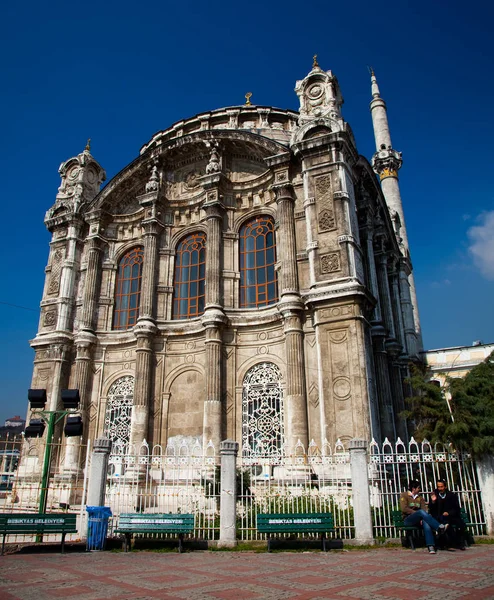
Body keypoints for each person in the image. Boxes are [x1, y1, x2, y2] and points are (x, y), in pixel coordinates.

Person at [399, 480, 448, 554]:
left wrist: (422, 516)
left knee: (426, 521)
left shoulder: (420, 498)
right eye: (418, 488)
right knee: (421, 513)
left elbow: (424, 509)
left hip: (419, 519)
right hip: (408, 519)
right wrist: (418, 513)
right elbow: (404, 509)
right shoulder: (404, 495)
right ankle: (439, 527)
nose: (420, 489)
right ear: (413, 488)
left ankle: (430, 546)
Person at [429, 479, 467, 550]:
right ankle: (448, 544)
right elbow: (431, 509)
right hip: (439, 516)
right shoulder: (434, 494)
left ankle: (458, 543)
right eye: (438, 487)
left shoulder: (451, 495)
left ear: (445, 487)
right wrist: (433, 502)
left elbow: (456, 508)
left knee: (459, 524)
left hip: (451, 516)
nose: (440, 489)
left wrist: (448, 513)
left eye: (441, 487)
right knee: (445, 524)